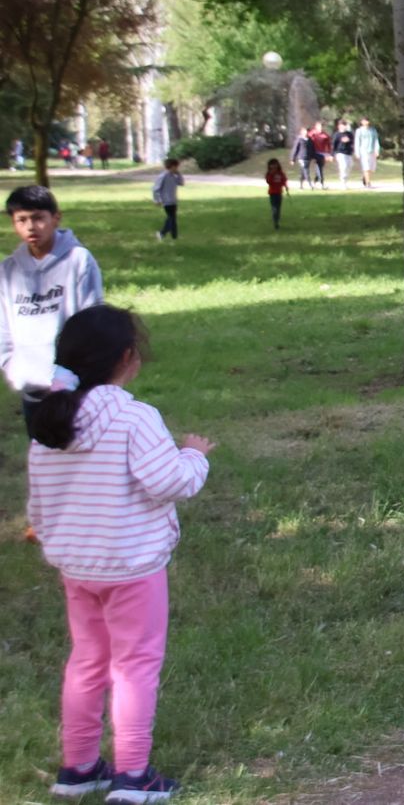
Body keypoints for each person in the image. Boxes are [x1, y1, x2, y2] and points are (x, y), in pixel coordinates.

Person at [26, 305, 215, 803]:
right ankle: (133, 776)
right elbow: (169, 482)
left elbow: (38, 505)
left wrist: (57, 544)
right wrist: (193, 454)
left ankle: (78, 769)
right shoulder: (135, 418)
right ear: (128, 358)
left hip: (77, 567)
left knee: (87, 661)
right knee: (134, 666)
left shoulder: (50, 425)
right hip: (133, 568)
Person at [1, 186, 104, 433]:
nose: (30, 227)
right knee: (42, 456)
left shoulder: (78, 260)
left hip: (72, 385)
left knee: (79, 454)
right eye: (21, 220)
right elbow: (3, 326)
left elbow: (92, 319)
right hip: (31, 383)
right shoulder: (8, 270)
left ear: (56, 217)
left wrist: (78, 373)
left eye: (38, 218)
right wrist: (12, 366)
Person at [151, 159, 183, 242]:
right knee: (171, 218)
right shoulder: (163, 176)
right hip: (166, 200)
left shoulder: (174, 176)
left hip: (173, 200)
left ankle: (174, 236)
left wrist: (179, 174)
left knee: (173, 219)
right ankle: (161, 233)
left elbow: (181, 183)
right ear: (172, 166)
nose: (177, 169)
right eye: (176, 167)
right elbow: (155, 189)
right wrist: (157, 200)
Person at [354, 117, 381, 188]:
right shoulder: (359, 131)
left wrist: (377, 150)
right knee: (366, 167)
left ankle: (365, 177)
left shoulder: (373, 130)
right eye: (364, 121)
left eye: (367, 121)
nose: (366, 122)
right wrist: (357, 152)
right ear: (361, 122)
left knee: (372, 168)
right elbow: (357, 142)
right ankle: (368, 183)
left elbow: (376, 140)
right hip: (363, 151)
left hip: (371, 151)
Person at [331, 119, 356, 189]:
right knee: (343, 166)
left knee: (350, 166)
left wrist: (349, 141)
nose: (343, 126)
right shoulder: (337, 134)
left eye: (344, 125)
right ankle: (343, 182)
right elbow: (333, 145)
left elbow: (352, 142)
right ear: (339, 126)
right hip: (340, 153)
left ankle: (345, 179)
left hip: (348, 153)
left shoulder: (349, 134)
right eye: (342, 125)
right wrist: (332, 155)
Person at [265, 158, 288, 230]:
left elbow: (284, 180)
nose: (274, 166)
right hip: (272, 193)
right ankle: (275, 220)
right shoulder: (269, 174)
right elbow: (268, 181)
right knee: (274, 208)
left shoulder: (281, 173)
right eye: (272, 165)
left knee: (278, 208)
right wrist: (272, 174)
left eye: (275, 164)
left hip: (279, 193)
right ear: (269, 166)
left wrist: (286, 186)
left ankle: (277, 221)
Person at [307, 122, 330, 188]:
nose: (320, 128)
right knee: (319, 169)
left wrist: (328, 153)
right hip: (315, 153)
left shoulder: (325, 135)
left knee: (320, 168)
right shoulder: (312, 134)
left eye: (321, 127)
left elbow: (328, 144)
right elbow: (307, 137)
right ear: (316, 127)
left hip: (322, 153)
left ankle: (315, 181)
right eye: (319, 127)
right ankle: (322, 183)